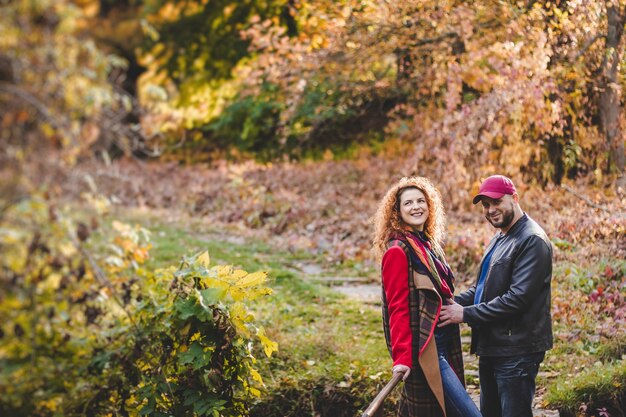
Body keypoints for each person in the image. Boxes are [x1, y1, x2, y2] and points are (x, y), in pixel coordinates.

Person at [438, 175, 553, 417]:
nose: (491, 210)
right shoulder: (501, 236)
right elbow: (484, 287)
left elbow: (517, 298)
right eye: (486, 205)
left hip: (516, 349)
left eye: (496, 202)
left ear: (515, 199)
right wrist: (453, 302)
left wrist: (465, 314)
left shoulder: (531, 239)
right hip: (493, 346)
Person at [372, 176, 481, 417]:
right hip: (425, 347)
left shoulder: (427, 245)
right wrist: (401, 358)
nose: (416, 207)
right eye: (408, 203)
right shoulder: (398, 251)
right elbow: (397, 308)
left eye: (421, 201)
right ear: (397, 212)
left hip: (443, 338)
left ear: (429, 207)